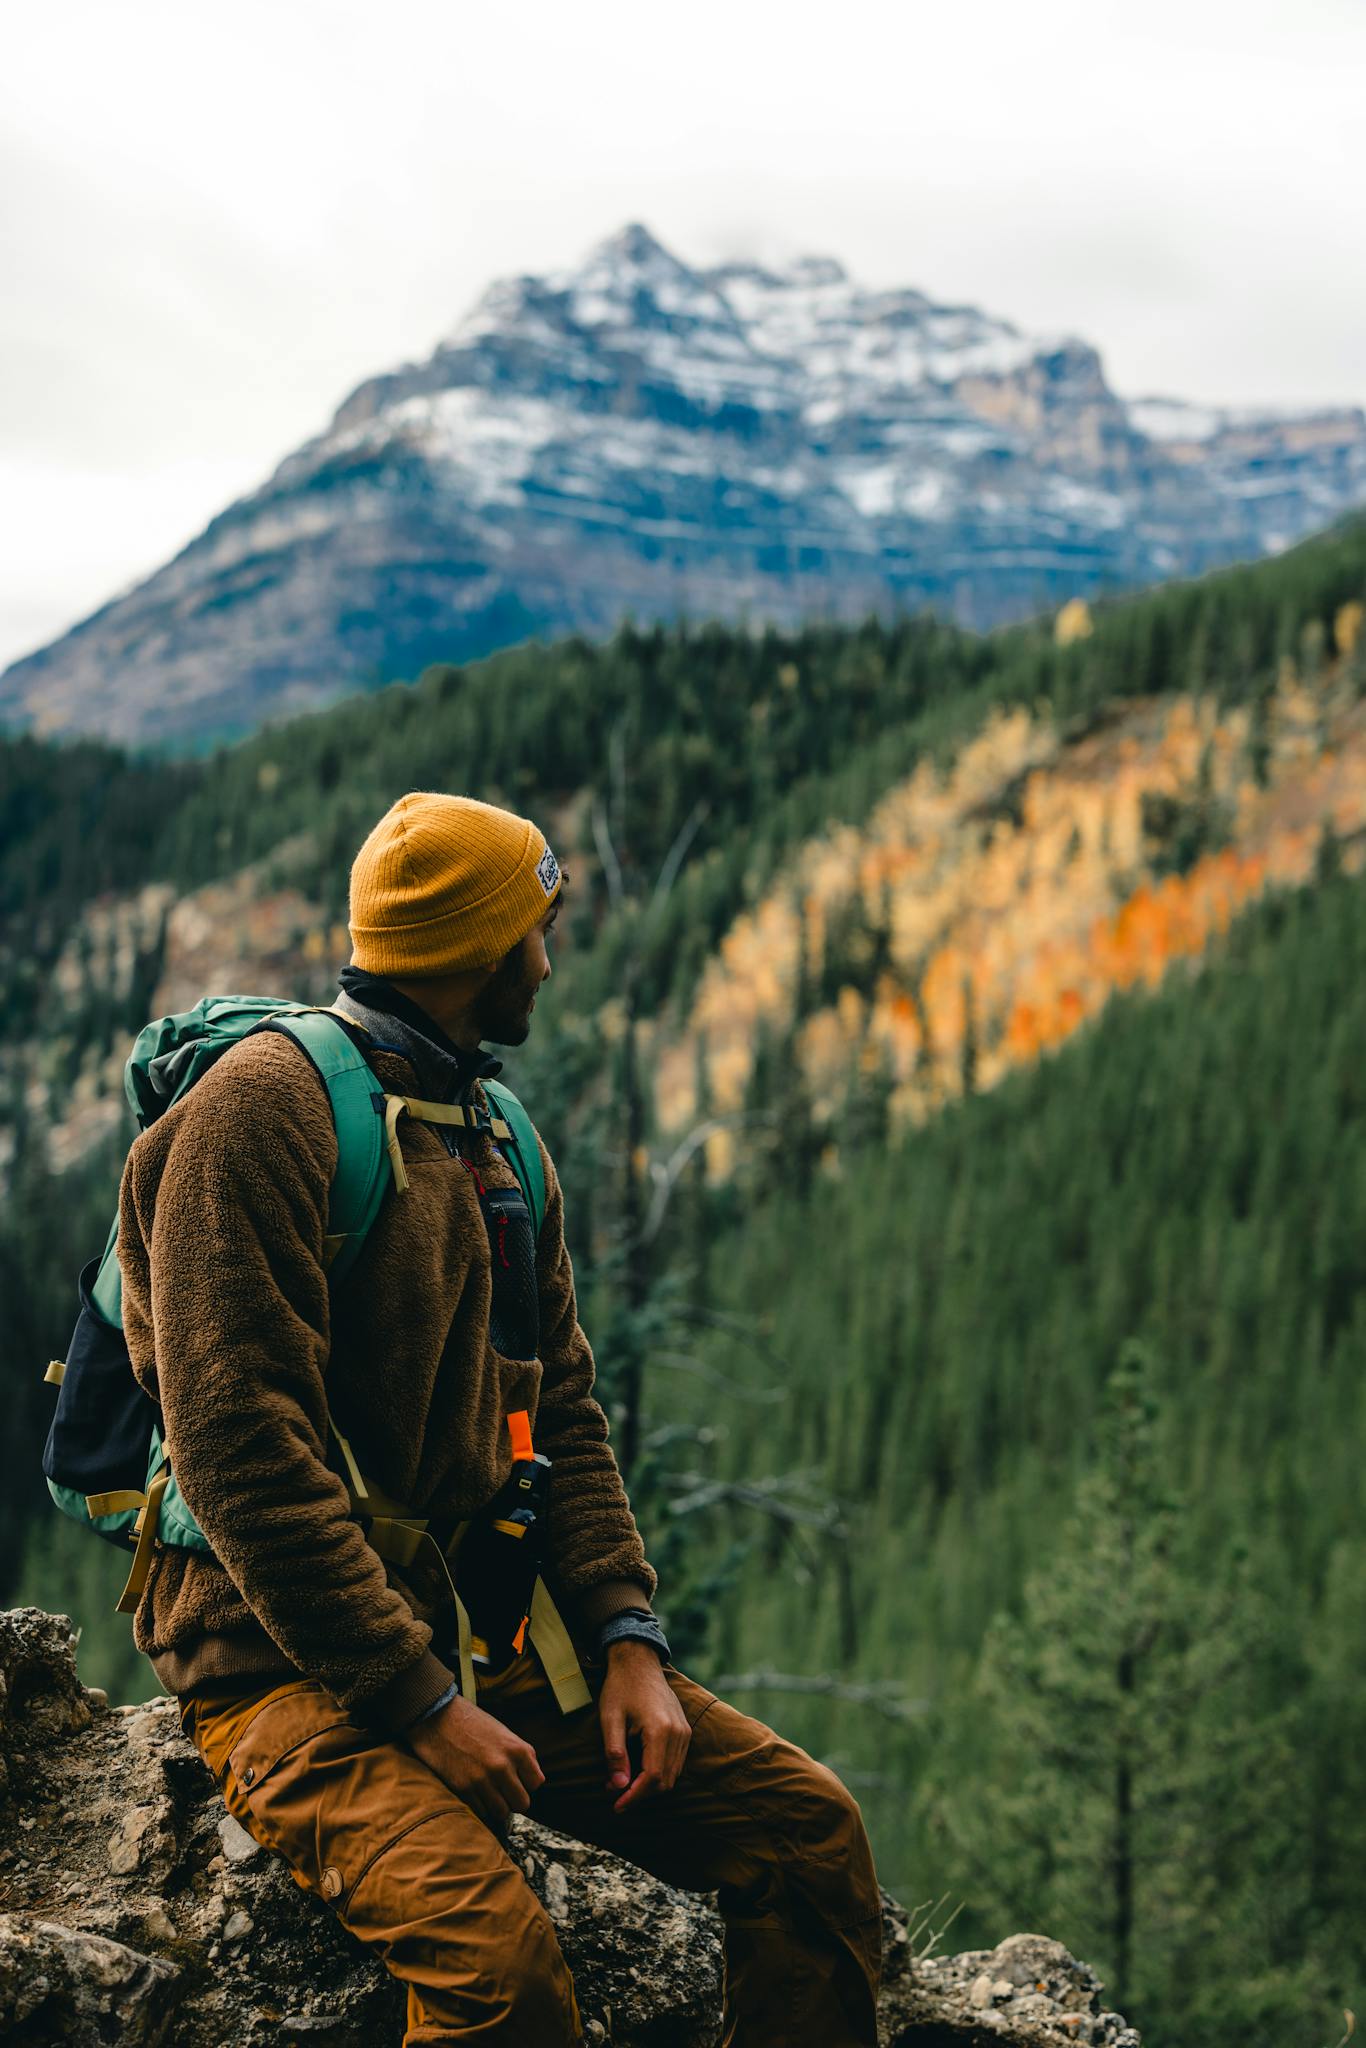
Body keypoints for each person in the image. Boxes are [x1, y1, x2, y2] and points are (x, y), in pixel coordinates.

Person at [117, 791, 882, 2045]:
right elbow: (241, 1454)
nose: (550, 954)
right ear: (479, 951)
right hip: (281, 1662)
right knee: (502, 1977)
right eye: (536, 928)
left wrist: (628, 1633)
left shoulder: (494, 1130)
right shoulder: (258, 1113)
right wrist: (418, 1702)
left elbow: (560, 1406)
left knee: (803, 1834)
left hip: (483, 1637)